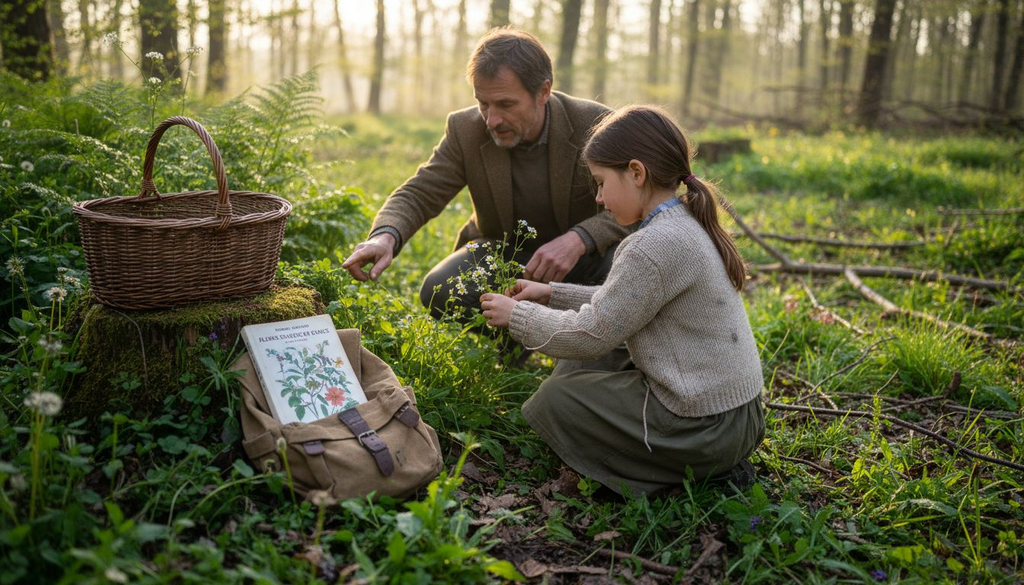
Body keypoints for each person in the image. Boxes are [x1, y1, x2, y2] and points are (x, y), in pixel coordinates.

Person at [479, 106, 765, 496]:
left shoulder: (652, 245)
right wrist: (551, 293)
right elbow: (623, 304)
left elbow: (592, 333)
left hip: (707, 428)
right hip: (733, 415)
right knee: (577, 365)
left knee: (557, 398)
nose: (598, 198)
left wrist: (519, 315)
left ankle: (676, 477)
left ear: (636, 172)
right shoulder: (683, 220)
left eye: (600, 182)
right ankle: (688, 463)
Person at [342, 28, 629, 320]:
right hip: (501, 254)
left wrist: (581, 238)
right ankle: (514, 343)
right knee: (439, 290)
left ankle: (576, 340)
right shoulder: (465, 128)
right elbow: (421, 191)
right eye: (483, 103)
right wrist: (385, 236)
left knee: (624, 275)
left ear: (543, 92)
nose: (492, 120)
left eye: (506, 104)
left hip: (585, 259)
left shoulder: (596, 125)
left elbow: (650, 202)